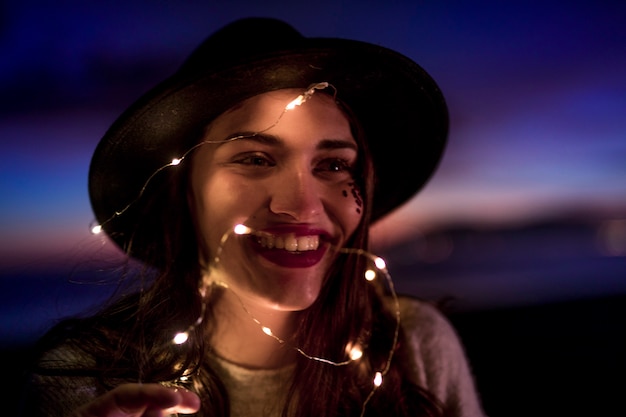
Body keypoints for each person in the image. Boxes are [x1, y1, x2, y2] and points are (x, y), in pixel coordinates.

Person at [20, 17, 485, 417]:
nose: (302, 207)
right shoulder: (87, 378)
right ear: (183, 189)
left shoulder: (413, 347)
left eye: (334, 165)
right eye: (256, 159)